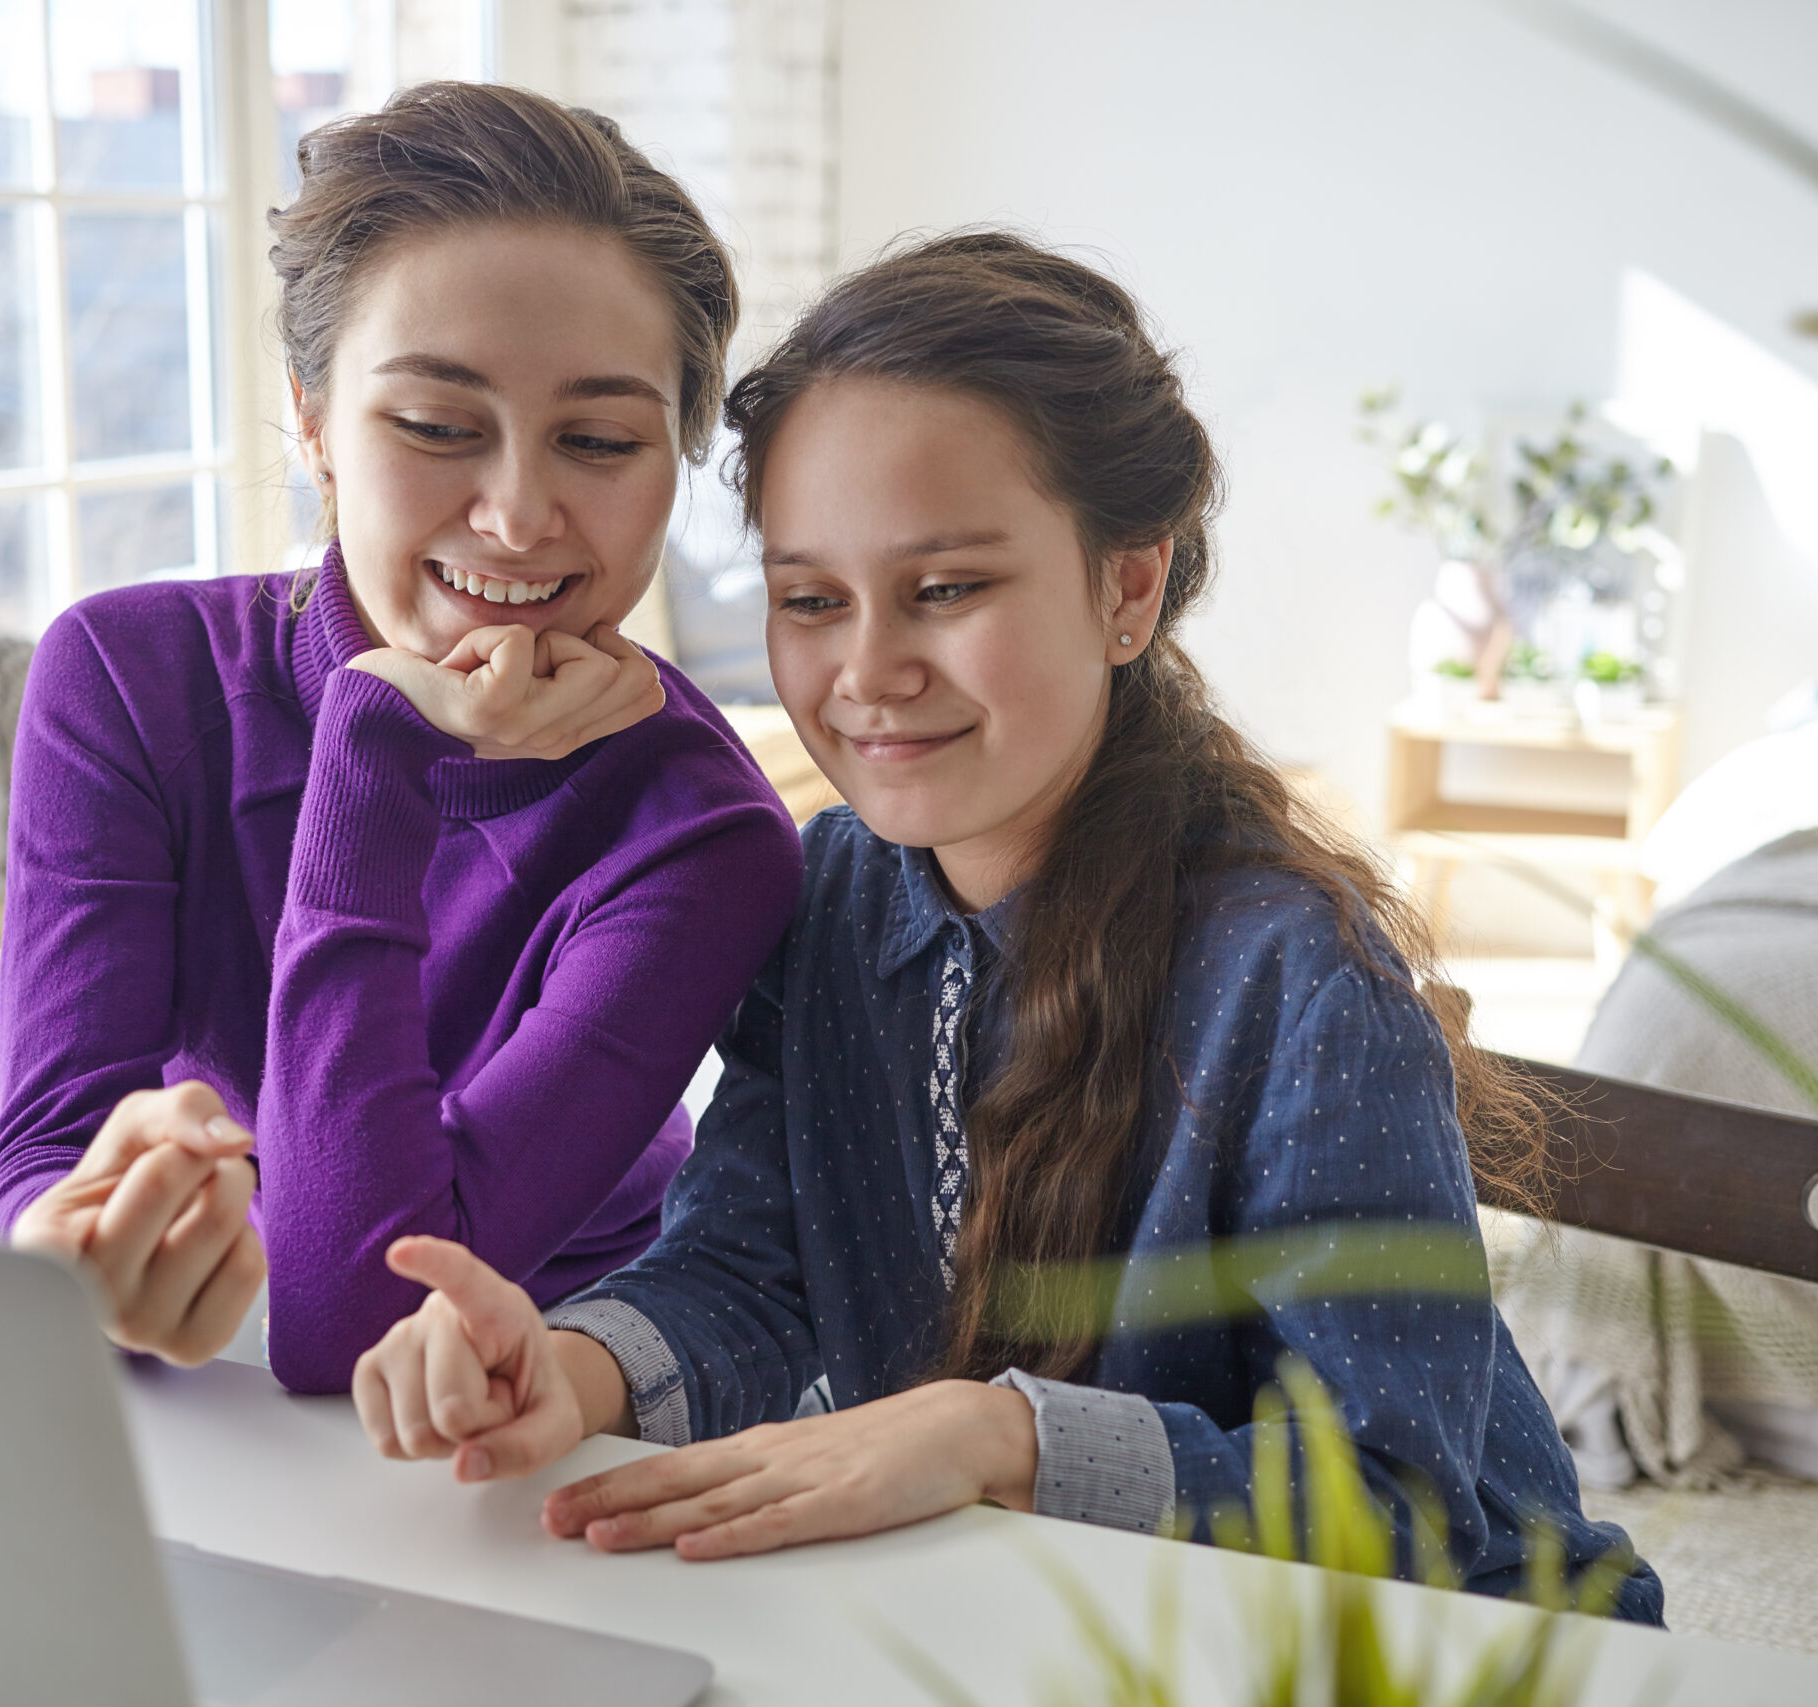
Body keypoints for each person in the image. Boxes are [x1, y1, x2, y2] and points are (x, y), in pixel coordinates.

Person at [348, 231, 1663, 1622]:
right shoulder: (831, 895)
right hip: (1057, 1627)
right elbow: (748, 1267)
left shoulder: (1295, 978)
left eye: (947, 589)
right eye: (810, 600)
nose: (865, 673)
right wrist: (570, 1371)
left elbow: (1397, 1506)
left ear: (1127, 589)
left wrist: (1003, 1438)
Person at [0, 83, 802, 1395]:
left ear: (677, 456)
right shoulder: (128, 682)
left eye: (597, 439)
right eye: (436, 427)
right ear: (311, 420)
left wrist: (374, 763)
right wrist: (68, 1244)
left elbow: (358, 1315)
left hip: (545, 1420)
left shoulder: (706, 832)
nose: (520, 515)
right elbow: (45, 1151)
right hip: (211, 1407)